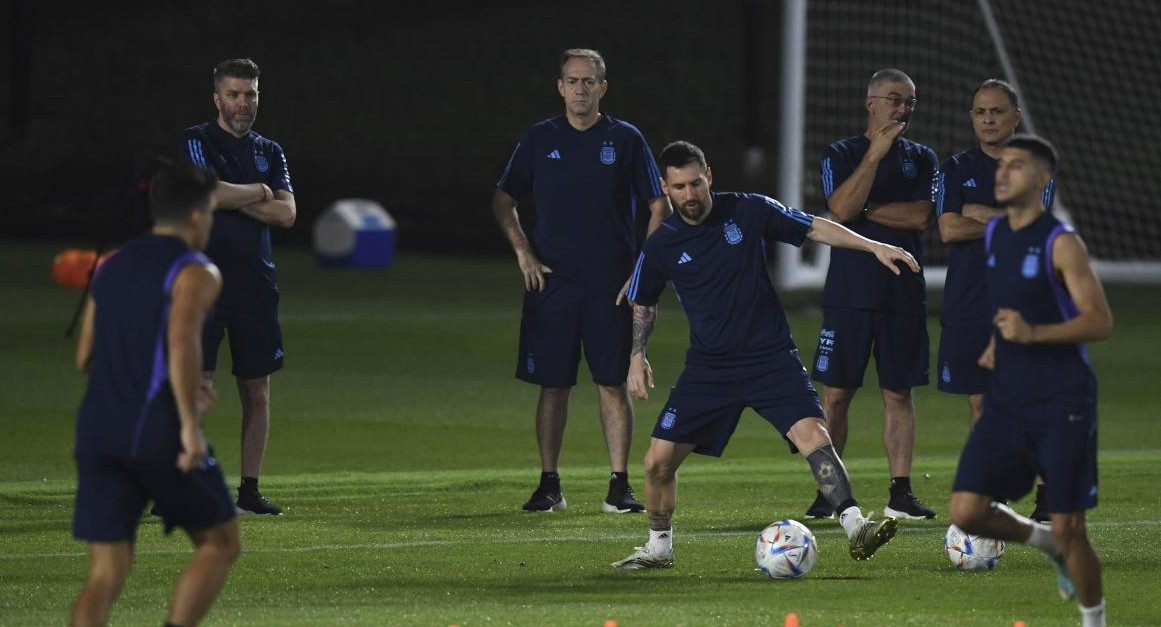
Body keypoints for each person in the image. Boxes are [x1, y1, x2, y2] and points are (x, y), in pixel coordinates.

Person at [611, 141, 914, 569]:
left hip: (770, 357)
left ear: (709, 176)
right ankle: (659, 548)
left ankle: (855, 525)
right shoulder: (661, 245)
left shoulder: (748, 210)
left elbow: (813, 226)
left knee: (816, 437)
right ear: (665, 187)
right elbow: (643, 301)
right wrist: (636, 357)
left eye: (696, 183)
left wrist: (873, 246)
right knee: (657, 463)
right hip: (710, 368)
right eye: (678, 187)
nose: (690, 195)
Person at [493, 48, 671, 513]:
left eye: (589, 82)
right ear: (560, 87)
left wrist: (641, 270)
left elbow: (659, 205)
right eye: (572, 81)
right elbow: (503, 198)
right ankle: (549, 483)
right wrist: (523, 252)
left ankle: (619, 485)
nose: (580, 89)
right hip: (552, 284)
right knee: (553, 384)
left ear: (602, 88)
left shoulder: (625, 139)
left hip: (610, 284)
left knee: (612, 383)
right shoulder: (539, 138)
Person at [949, 135, 1111, 627]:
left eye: (1016, 166)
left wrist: (1033, 333)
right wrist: (1000, 343)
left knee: (1071, 528)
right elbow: (1011, 307)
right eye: (1001, 165)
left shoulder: (1061, 242)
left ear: (1041, 180)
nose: (1002, 172)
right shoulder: (996, 235)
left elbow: (1099, 320)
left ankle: (1094, 620)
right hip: (1008, 400)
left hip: (1063, 399)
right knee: (966, 511)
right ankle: (1044, 545)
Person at [71, 163, 240, 627]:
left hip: (97, 430)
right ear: (196, 217)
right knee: (220, 542)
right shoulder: (197, 271)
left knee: (105, 574)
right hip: (156, 432)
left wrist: (156, 374)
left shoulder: (111, 264)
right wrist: (189, 428)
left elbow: (86, 356)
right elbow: (181, 342)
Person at [807, 68, 938, 520]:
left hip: (903, 290)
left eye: (910, 102)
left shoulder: (922, 158)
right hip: (850, 291)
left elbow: (923, 215)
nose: (903, 109)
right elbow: (838, 209)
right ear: (871, 103)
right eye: (895, 99)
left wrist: (865, 209)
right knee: (837, 394)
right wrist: (874, 157)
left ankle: (900, 493)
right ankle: (831, 492)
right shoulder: (841, 153)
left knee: (898, 392)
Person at [936, 79, 1056, 521]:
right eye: (980, 112)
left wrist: (978, 214)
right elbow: (948, 229)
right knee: (981, 403)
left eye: (997, 112)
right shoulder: (954, 168)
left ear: (1015, 117)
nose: (988, 120)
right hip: (969, 302)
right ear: (972, 117)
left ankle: (1047, 497)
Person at [180, 58, 296, 515]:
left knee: (257, 390)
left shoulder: (272, 151)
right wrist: (260, 192)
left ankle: (249, 491)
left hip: (255, 286)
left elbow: (288, 216)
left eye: (250, 94)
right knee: (196, 386)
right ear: (217, 99)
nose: (243, 103)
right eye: (234, 94)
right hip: (203, 283)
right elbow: (204, 194)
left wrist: (235, 194)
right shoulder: (196, 139)